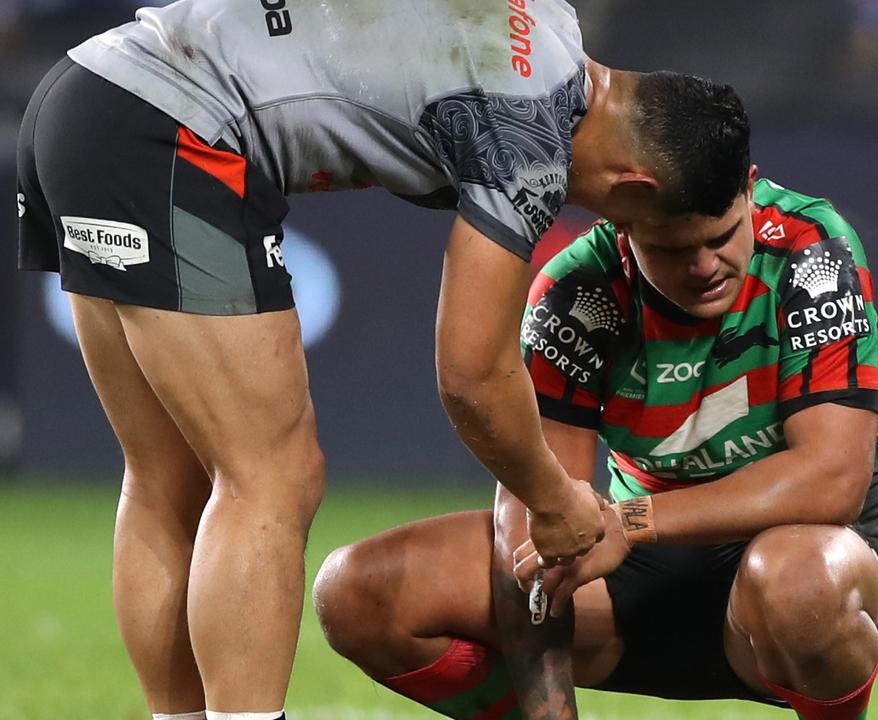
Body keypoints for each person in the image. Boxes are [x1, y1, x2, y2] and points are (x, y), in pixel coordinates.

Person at [14, 1, 751, 717]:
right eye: (653, 236)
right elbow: (470, 373)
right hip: (171, 133)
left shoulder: (548, 19)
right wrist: (555, 501)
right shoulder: (528, 144)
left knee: (165, 477)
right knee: (273, 476)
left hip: (85, 91)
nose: (636, 248)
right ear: (635, 185)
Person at [312, 153, 878, 720]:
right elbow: (533, 526)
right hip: (637, 578)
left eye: (722, 236)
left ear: (750, 191)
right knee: (357, 594)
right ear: (623, 230)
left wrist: (633, 521)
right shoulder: (580, 291)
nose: (704, 266)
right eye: (674, 249)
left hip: (805, 559)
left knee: (795, 583)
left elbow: (832, 482)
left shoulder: (812, 246)